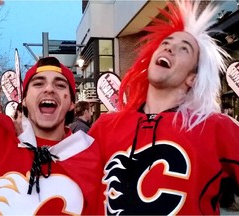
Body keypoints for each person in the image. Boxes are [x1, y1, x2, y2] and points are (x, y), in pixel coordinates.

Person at [88, 0, 239, 215]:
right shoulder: (105, 127)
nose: (169, 47)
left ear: (192, 78)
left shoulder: (215, 128)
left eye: (184, 49)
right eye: (166, 43)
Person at [0, 0, 100, 214]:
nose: (49, 89)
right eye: (38, 84)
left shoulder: (92, 155)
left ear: (71, 104)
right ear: (25, 100)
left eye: (59, 85)